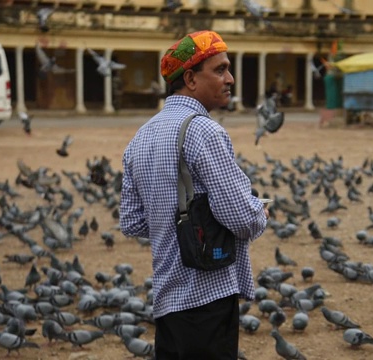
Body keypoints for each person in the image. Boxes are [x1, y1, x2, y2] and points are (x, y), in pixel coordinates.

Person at [119, 30, 268, 359]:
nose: (230, 78)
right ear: (189, 78)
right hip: (207, 296)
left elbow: (131, 222)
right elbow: (241, 218)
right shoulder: (205, 130)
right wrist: (260, 213)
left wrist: (173, 226)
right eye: (219, 69)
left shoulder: (140, 138)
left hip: (167, 299)